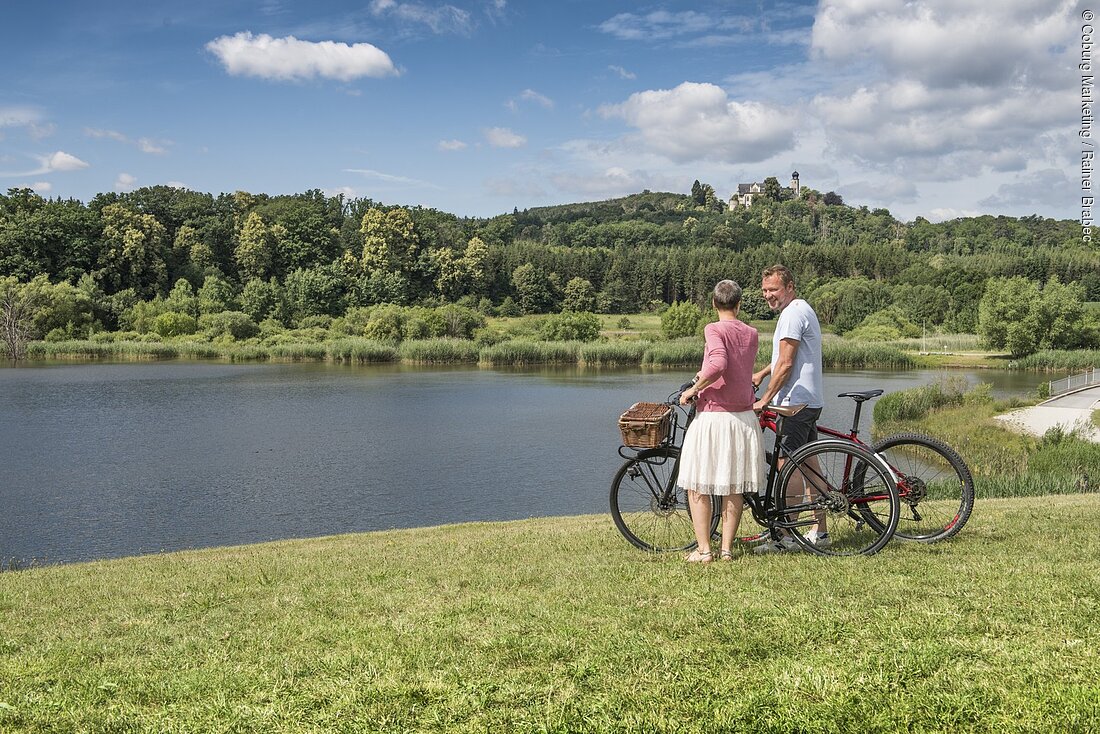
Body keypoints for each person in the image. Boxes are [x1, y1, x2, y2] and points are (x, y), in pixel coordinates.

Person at [677, 280, 765, 563]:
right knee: (733, 486)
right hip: (743, 418)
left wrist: (693, 389)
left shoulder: (713, 329)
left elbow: (717, 364)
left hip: (715, 417)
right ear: (739, 304)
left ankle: (704, 550)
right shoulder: (751, 333)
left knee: (698, 484)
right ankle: (726, 549)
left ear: (714, 304)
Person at [751, 264, 827, 552]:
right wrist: (762, 373)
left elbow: (787, 362)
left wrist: (765, 399)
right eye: (765, 290)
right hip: (808, 400)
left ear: (790, 287)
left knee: (788, 466)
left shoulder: (792, 314)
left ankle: (785, 536)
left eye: (774, 290)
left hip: (794, 404)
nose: (769, 295)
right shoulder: (801, 309)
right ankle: (820, 532)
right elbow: (785, 356)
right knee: (810, 466)